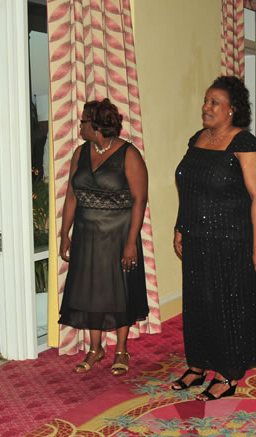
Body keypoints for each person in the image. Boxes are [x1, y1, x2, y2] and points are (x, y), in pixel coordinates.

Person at [171, 75, 256, 401]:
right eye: (206, 100)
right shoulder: (198, 138)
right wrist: (180, 226)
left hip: (231, 239)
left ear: (232, 110)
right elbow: (188, 188)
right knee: (198, 303)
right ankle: (198, 364)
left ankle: (228, 372)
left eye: (215, 102)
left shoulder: (245, 143)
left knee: (227, 305)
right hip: (198, 237)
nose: (206, 107)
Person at [59, 99, 149, 376]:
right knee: (90, 291)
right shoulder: (80, 153)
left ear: (96, 126)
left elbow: (140, 199)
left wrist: (131, 242)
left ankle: (121, 349)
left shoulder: (129, 154)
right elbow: (72, 195)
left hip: (119, 234)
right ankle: (95, 348)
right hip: (86, 233)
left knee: (119, 291)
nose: (80, 126)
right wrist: (65, 234)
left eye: (83, 122)